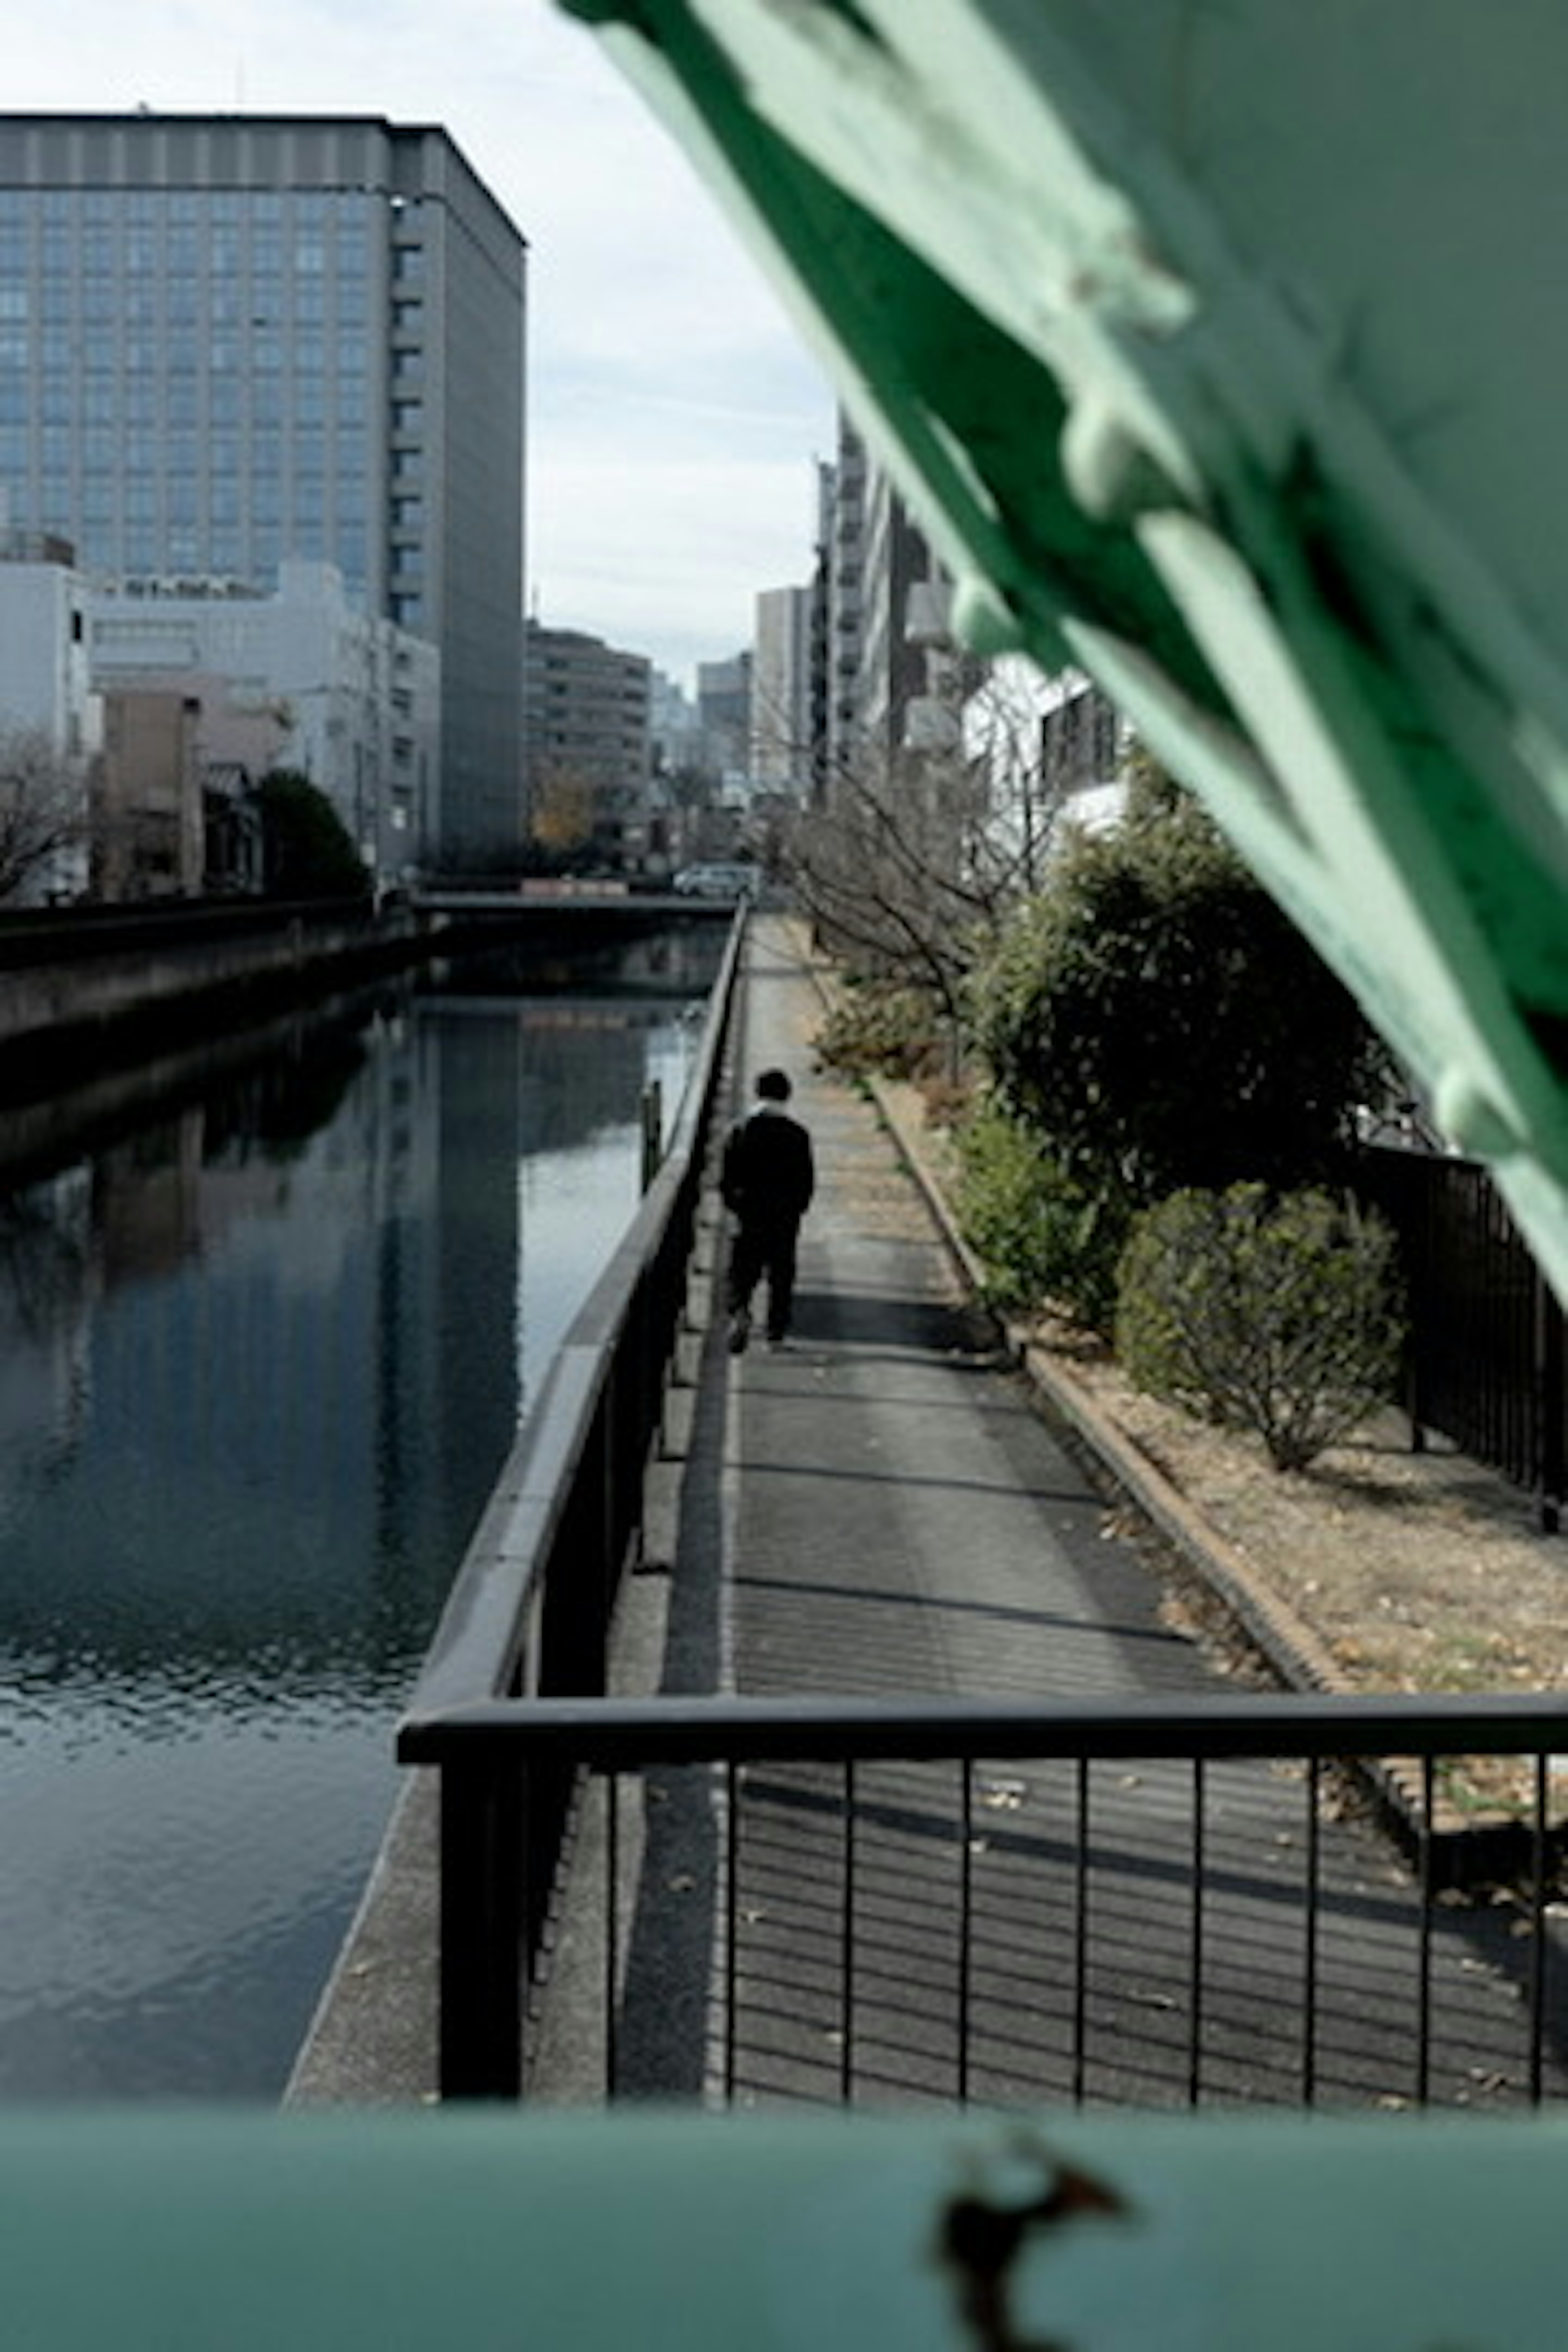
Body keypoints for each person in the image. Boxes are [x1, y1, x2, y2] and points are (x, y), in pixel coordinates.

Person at [719, 1067, 815, 1354]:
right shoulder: (797, 1135)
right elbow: (806, 1181)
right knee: (781, 1274)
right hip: (784, 1216)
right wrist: (797, 1209)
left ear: (757, 1093)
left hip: (749, 1213)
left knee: (742, 1270)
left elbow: (727, 1178)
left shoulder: (740, 1130)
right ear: (787, 1096)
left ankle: (740, 1311)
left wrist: (736, 1206)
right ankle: (776, 1334)